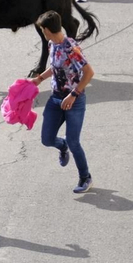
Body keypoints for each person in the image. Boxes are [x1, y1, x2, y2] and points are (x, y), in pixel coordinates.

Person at [29, 10, 94, 194]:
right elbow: (55, 66)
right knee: (47, 139)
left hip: (75, 101)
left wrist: (73, 94)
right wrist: (40, 78)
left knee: (74, 142)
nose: (43, 33)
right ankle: (61, 145)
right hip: (56, 99)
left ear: (48, 30)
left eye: (43, 30)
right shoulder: (52, 44)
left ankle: (85, 177)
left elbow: (89, 73)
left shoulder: (70, 48)